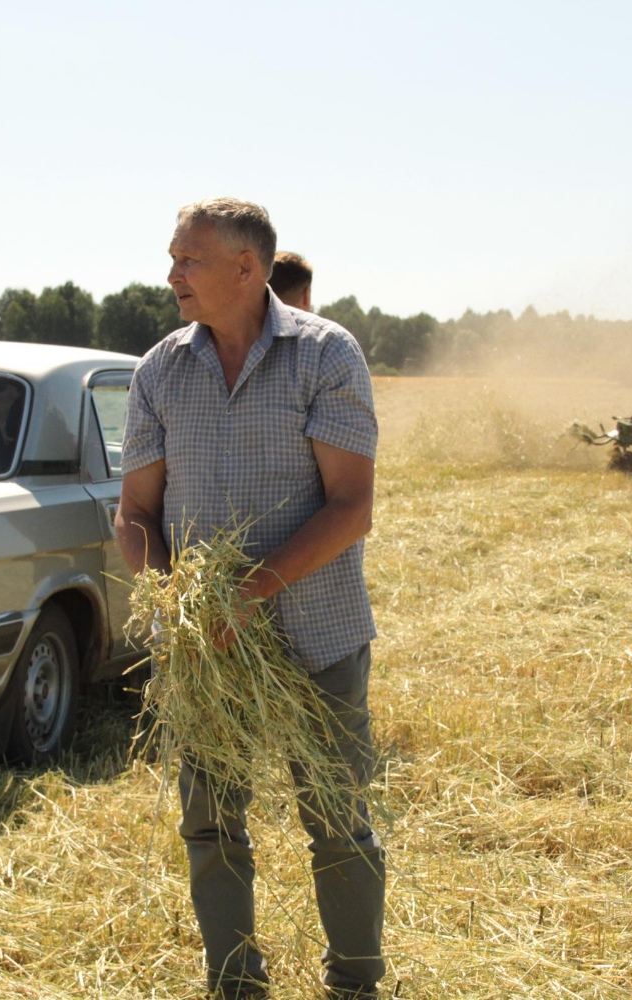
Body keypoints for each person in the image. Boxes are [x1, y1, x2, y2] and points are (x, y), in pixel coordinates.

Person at [116, 197, 385, 1000]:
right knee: (209, 824)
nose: (172, 274)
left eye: (188, 259)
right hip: (205, 651)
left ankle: (355, 985)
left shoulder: (325, 356)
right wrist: (174, 600)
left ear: (245, 267)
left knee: (337, 819)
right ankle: (235, 984)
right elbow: (135, 512)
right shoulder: (160, 369)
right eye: (172, 258)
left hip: (318, 633)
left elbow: (351, 507)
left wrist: (248, 594)